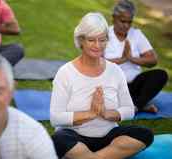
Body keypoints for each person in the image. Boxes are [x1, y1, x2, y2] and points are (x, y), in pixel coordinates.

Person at [50, 12, 153, 159]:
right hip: (75, 137)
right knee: (59, 140)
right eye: (91, 40)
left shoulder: (115, 71)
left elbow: (129, 109)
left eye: (102, 40)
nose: (98, 46)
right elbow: (55, 117)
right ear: (81, 41)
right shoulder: (65, 72)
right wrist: (90, 114)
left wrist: (105, 113)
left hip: (108, 137)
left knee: (145, 134)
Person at [104, 0, 168, 113]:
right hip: (112, 86)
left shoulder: (136, 34)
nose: (126, 25)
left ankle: (136, 105)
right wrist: (123, 59)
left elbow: (153, 60)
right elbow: (96, 63)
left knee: (161, 75)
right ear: (114, 17)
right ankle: (140, 104)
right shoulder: (104, 35)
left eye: (129, 22)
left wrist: (131, 58)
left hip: (134, 86)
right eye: (123, 21)